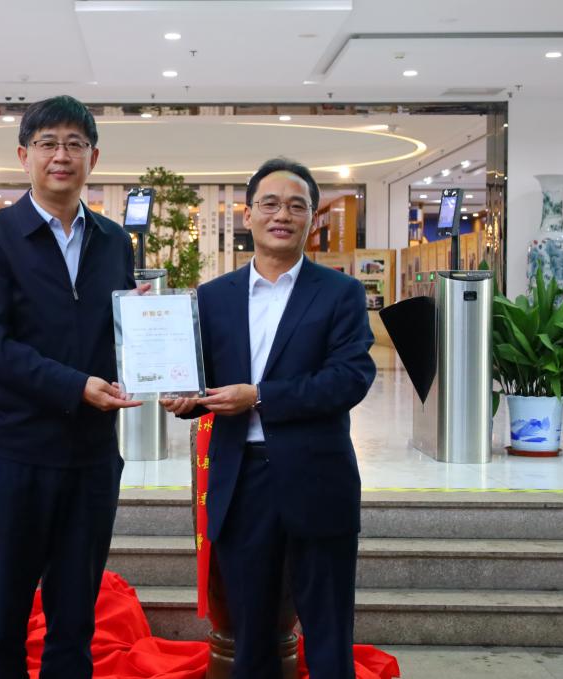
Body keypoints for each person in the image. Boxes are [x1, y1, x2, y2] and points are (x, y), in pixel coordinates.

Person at [161, 158, 376, 679]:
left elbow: (350, 379)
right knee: (250, 634)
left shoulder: (341, 293)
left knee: (328, 631)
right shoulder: (214, 297)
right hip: (242, 481)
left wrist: (259, 397)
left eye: (297, 206)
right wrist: (185, 399)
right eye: (271, 204)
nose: (283, 215)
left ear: (312, 219)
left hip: (318, 476)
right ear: (249, 214)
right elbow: (203, 380)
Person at [0, 95, 144, 679]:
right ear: (24, 156)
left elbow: (108, 337)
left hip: (90, 458)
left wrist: (142, 331)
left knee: (75, 625)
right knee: (2, 624)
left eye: (75, 144)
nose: (61, 156)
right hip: (11, 455)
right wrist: (76, 385)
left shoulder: (114, 242)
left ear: (93, 157)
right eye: (48, 144)